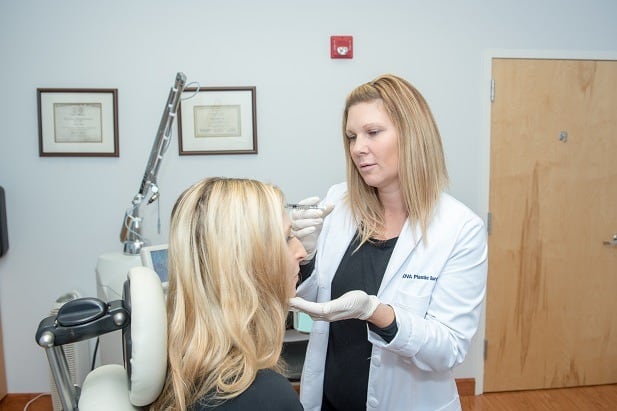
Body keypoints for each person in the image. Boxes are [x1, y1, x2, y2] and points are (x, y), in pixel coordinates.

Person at [289, 74, 488, 411]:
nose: (357, 148)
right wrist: (305, 255)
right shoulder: (339, 202)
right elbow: (313, 299)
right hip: (329, 399)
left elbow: (448, 348)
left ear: (412, 135)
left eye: (373, 133)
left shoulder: (460, 228)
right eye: (352, 137)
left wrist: (377, 313)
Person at [151, 177, 306, 410]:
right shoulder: (265, 397)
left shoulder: (179, 372)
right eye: (286, 239)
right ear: (247, 264)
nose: (302, 252)